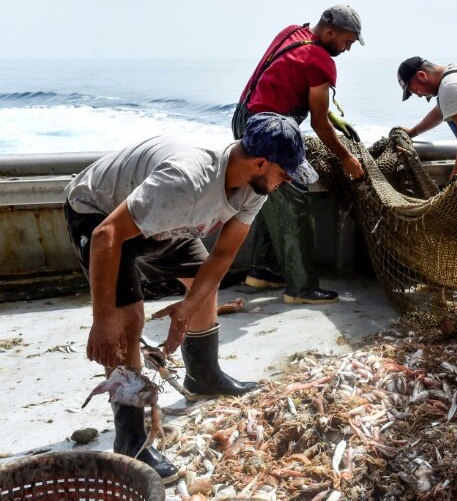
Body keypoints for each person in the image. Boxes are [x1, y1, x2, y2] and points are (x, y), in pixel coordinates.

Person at [64, 113, 317, 483]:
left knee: (203, 285)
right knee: (129, 321)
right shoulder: (186, 182)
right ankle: (131, 439)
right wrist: (102, 320)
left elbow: (223, 255)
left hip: (165, 220)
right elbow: (107, 235)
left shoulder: (254, 187)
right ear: (261, 163)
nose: (288, 181)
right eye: (286, 173)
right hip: (100, 213)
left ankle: (204, 376)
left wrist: (187, 307)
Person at [233, 4, 365, 305]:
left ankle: (264, 270)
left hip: (244, 118)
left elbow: (287, 80)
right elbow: (318, 123)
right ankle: (302, 288)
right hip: (269, 131)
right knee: (295, 199)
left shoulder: (292, 31)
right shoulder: (321, 60)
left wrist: (331, 115)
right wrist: (346, 157)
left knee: (270, 194)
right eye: (347, 41)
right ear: (330, 32)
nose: (347, 49)